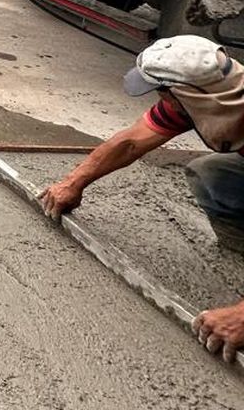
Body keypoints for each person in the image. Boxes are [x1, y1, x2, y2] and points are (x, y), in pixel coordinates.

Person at [38, 35, 244, 363]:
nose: (163, 101)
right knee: (211, 175)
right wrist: (72, 183)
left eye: (165, 93)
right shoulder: (209, 101)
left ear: (190, 94)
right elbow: (131, 142)